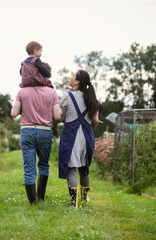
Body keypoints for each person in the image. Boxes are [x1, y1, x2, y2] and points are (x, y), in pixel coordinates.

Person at [11, 64, 61, 205]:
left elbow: (14, 113)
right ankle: (41, 197)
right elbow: (57, 115)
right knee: (43, 164)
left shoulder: (22, 91)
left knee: (29, 166)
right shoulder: (51, 92)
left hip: (27, 131)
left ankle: (32, 202)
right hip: (44, 131)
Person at [58, 70, 99, 208]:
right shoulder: (92, 98)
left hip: (71, 137)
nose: (70, 77)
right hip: (86, 138)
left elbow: (61, 117)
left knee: (72, 169)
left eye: (72, 75)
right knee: (84, 168)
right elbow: (95, 120)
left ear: (77, 82)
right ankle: (84, 198)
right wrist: (89, 133)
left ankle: (73, 202)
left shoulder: (67, 97)